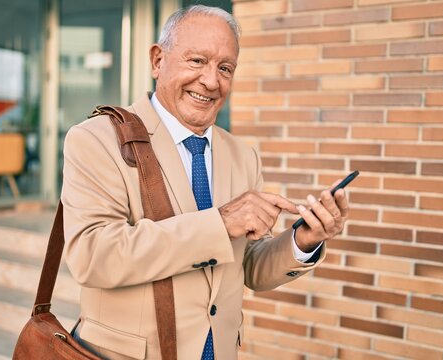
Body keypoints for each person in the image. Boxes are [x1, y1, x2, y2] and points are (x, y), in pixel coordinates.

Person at [62, 5, 349, 360]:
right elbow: (93, 256)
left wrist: (304, 239)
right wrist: (222, 222)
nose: (211, 81)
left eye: (225, 68)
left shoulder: (244, 155)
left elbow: (250, 267)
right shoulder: (96, 139)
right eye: (197, 61)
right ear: (157, 60)